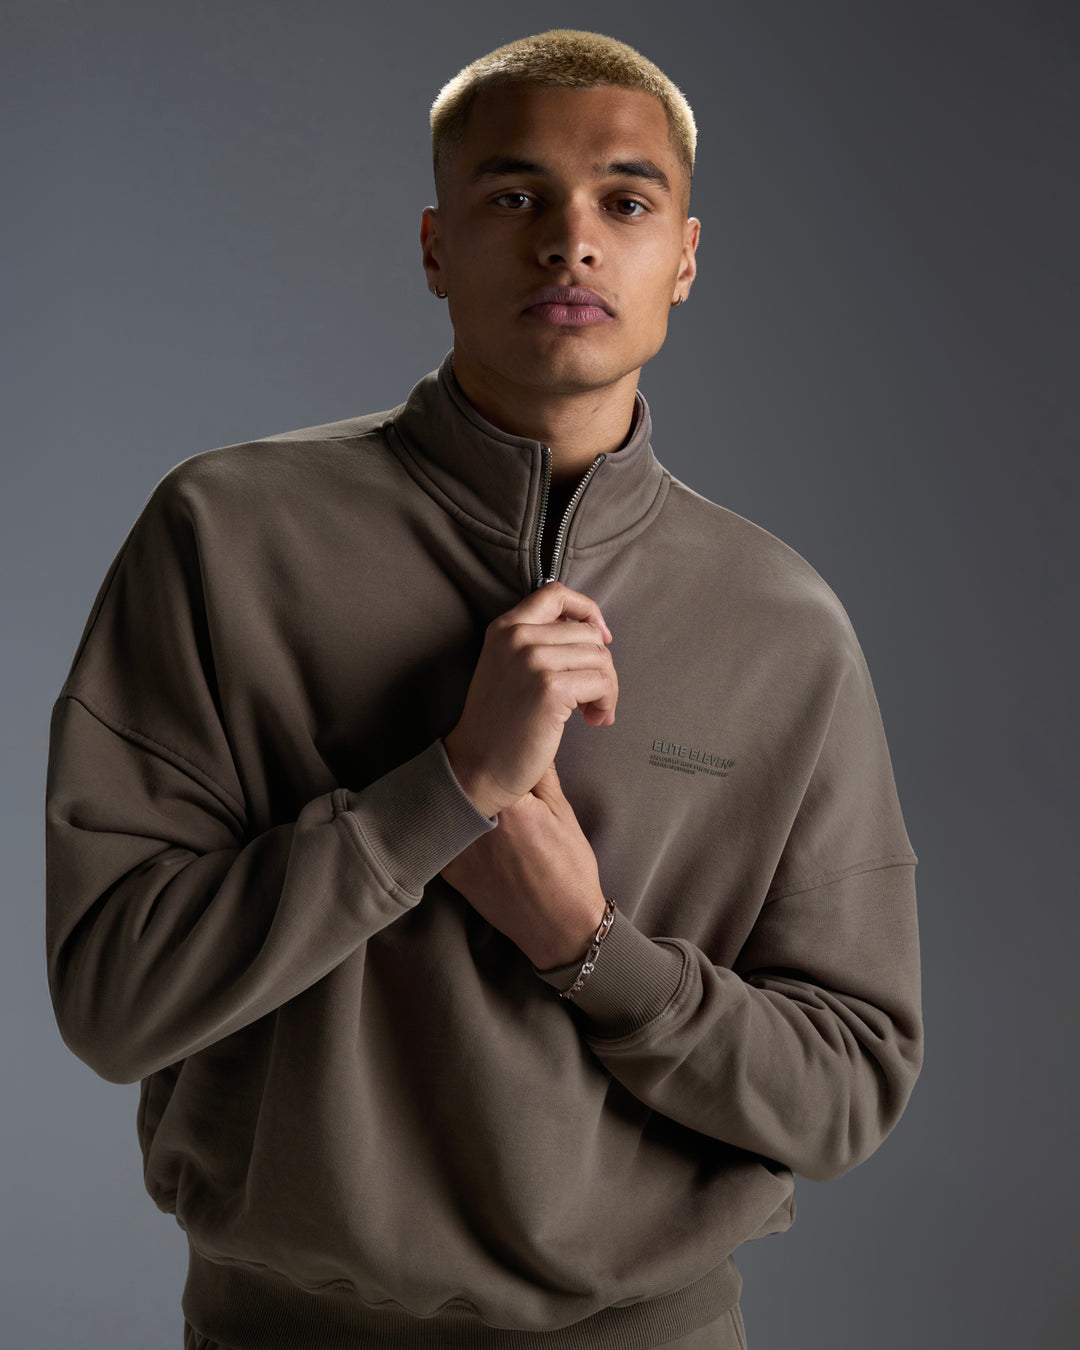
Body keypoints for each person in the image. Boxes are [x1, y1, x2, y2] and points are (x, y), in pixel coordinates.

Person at [45, 29, 922, 1350]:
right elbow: (115, 1001)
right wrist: (444, 793)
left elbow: (847, 1093)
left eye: (625, 202)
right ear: (435, 247)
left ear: (685, 257)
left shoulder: (784, 624)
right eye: (515, 197)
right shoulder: (222, 537)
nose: (570, 242)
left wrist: (590, 948)